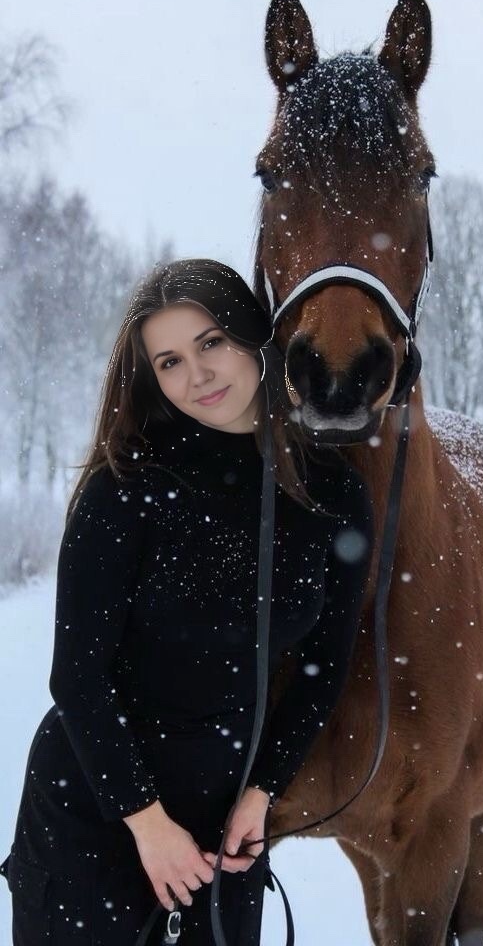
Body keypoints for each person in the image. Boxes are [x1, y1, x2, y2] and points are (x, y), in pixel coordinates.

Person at [0, 257, 374, 945]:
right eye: (169, 361)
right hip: (98, 808)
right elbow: (78, 677)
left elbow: (322, 669)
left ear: (254, 337)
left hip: (224, 824)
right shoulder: (124, 488)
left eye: (212, 343)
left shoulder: (332, 495)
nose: (197, 374)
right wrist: (147, 824)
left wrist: (261, 793)